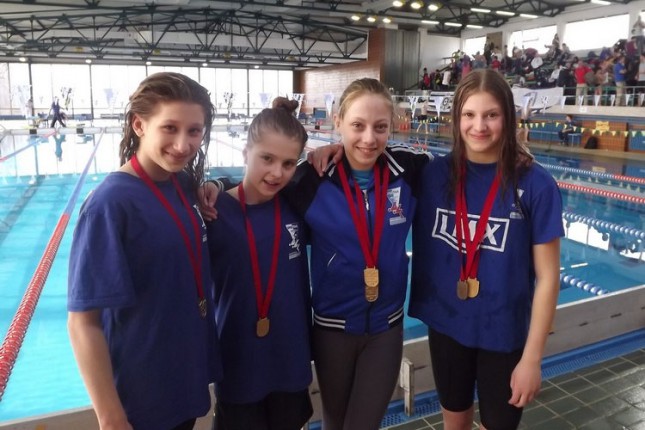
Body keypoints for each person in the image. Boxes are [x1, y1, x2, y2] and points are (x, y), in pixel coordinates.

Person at [409, 69, 563, 430]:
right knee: (455, 423)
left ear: (507, 117)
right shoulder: (433, 175)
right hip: (447, 325)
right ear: (456, 118)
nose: (479, 126)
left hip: (504, 334)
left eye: (491, 115)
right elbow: (369, 163)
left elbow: (548, 277)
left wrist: (532, 359)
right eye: (469, 114)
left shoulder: (536, 185)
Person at [67, 72, 221, 430]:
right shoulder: (110, 204)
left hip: (182, 377)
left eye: (194, 131)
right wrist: (110, 416)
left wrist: (213, 183)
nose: (183, 145)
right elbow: (82, 323)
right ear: (139, 125)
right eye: (169, 128)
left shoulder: (182, 183)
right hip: (142, 393)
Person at [206, 97, 313, 430]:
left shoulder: (297, 204)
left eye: (288, 163)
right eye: (267, 158)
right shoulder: (213, 213)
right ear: (245, 153)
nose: (277, 173)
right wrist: (211, 184)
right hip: (239, 361)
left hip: (291, 360)